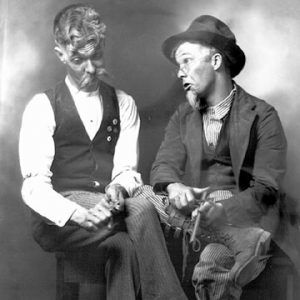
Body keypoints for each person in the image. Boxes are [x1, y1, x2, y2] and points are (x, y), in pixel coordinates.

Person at [19, 4, 187, 300]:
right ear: (60, 54)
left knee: (122, 246)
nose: (88, 68)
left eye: (95, 56)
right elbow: (33, 187)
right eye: (77, 59)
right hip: (58, 218)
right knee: (144, 207)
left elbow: (125, 169)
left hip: (109, 212)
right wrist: (77, 214)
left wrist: (118, 187)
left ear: (104, 48)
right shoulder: (42, 106)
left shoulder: (124, 103)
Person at [137, 15, 292, 299]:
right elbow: (164, 165)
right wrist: (175, 187)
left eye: (186, 61)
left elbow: (266, 189)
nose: (179, 72)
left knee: (211, 267)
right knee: (138, 197)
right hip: (192, 214)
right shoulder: (183, 116)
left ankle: (233, 236)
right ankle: (239, 241)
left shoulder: (263, 115)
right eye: (177, 64)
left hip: (242, 216)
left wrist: (223, 210)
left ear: (217, 62)